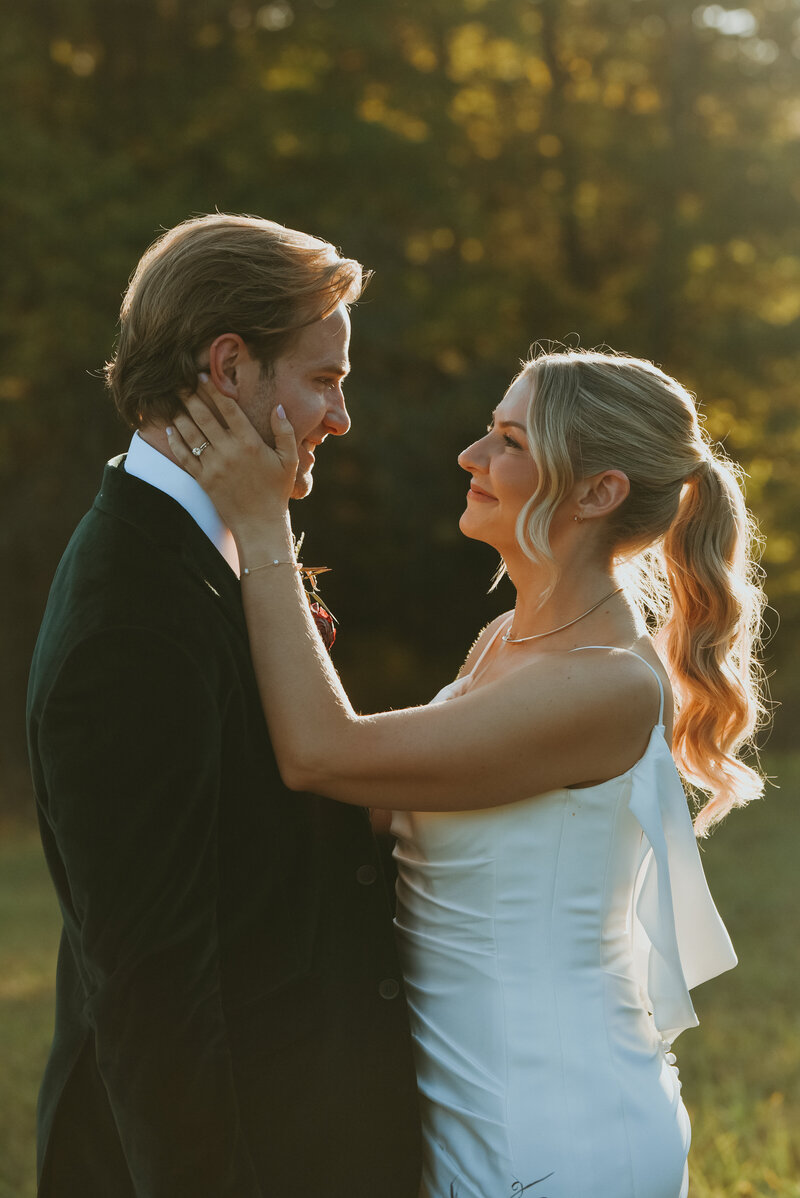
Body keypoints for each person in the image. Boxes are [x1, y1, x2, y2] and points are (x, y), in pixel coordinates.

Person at [167, 345, 767, 1198]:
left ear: (598, 493)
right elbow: (363, 802)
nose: (472, 457)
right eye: (489, 433)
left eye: (512, 442)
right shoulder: (501, 644)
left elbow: (324, 754)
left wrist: (261, 523)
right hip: (456, 1113)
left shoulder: (607, 685)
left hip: (554, 1132)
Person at [26, 213, 421, 1198]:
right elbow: (152, 989)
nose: (339, 416)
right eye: (323, 379)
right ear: (229, 367)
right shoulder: (130, 615)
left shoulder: (224, 540)